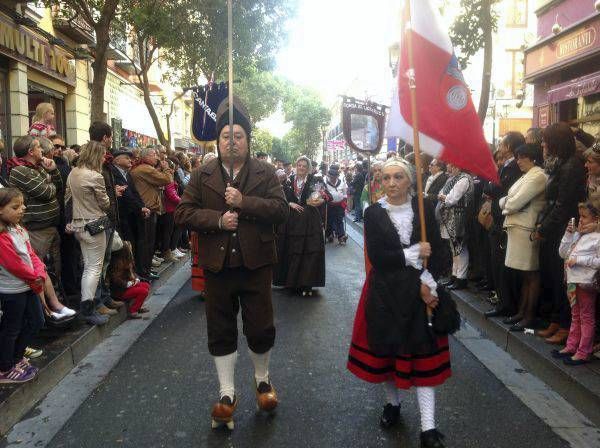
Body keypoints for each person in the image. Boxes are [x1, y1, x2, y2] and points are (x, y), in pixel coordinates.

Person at [175, 97, 288, 429]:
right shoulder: (202, 174)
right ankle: (227, 394)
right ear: (218, 140)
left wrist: (245, 202)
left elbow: (281, 212)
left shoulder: (266, 173)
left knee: (260, 327)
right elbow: (183, 212)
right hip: (217, 267)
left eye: (238, 136)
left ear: (248, 140)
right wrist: (218, 220)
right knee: (221, 329)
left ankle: (263, 381)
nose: (232, 141)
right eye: (226, 136)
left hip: (256, 266)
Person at [347, 158, 451, 448]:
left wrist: (429, 281)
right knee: (389, 351)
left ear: (409, 180)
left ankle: (429, 429)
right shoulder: (373, 213)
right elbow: (379, 258)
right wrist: (412, 253)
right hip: (386, 292)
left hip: (421, 290)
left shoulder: (425, 207)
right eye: (386, 178)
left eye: (398, 177)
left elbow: (439, 251)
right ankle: (392, 404)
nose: (391, 183)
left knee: (423, 356)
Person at [535, 123, 587, 345]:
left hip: (564, 230)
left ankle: (565, 324)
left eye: (546, 140)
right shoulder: (561, 164)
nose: (543, 144)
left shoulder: (572, 166)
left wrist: (543, 228)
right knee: (553, 277)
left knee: (561, 279)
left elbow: (563, 205)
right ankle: (556, 320)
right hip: (554, 227)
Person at [499, 144, 547, 331]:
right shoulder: (528, 175)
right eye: (517, 157)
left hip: (526, 228)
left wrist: (506, 203)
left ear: (533, 158)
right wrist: (507, 203)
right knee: (524, 274)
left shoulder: (538, 176)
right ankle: (522, 311)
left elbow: (513, 202)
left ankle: (529, 315)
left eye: (522, 157)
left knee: (531, 273)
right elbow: (508, 199)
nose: (518, 161)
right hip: (518, 227)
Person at [0, 188, 46, 383]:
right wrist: (34, 276)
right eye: (15, 207)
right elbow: (13, 264)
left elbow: (31, 254)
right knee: (11, 328)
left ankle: (16, 357)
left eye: (22, 205)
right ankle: (5, 367)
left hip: (27, 285)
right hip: (12, 290)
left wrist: (40, 272)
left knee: (36, 321)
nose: (22, 209)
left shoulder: (18, 228)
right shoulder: (2, 236)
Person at [66, 141, 112, 326]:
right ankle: (88, 308)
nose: (103, 158)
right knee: (94, 268)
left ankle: (86, 306)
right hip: (94, 225)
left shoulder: (73, 173)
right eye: (102, 155)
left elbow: (67, 199)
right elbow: (105, 203)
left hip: (78, 225)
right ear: (96, 155)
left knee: (88, 267)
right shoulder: (95, 176)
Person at [484, 132, 527, 318]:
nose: (499, 146)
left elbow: (499, 189)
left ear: (509, 146)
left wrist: (493, 185)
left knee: (502, 265)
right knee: (496, 263)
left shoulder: (513, 169)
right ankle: (503, 300)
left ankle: (506, 304)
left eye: (502, 143)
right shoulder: (506, 166)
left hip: (505, 222)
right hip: (497, 221)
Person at [273, 155, 329, 296]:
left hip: (310, 221)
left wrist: (318, 200)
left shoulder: (315, 180)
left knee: (309, 251)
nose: (301, 168)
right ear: (296, 167)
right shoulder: (289, 180)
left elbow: (323, 196)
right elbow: (281, 197)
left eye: (304, 166)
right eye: (299, 165)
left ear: (308, 168)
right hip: (291, 221)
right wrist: (289, 203)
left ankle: (306, 284)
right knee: (291, 250)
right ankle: (290, 282)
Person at [555, 200, 600, 365]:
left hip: (586, 283)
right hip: (572, 280)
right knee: (575, 315)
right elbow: (562, 253)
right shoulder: (577, 235)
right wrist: (568, 235)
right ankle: (572, 346)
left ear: (596, 219)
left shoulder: (597, 238)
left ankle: (583, 351)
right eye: (579, 216)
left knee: (586, 316)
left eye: (585, 217)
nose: (581, 220)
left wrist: (579, 259)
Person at [130, 147, 173, 280]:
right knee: (146, 243)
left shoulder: (144, 169)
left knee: (149, 242)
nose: (157, 157)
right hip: (147, 210)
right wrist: (165, 168)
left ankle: (146, 270)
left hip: (148, 208)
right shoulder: (145, 169)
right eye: (154, 154)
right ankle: (144, 272)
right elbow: (167, 179)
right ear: (146, 157)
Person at [437, 164, 474, 290]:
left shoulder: (464, 179)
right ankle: (455, 275)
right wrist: (443, 196)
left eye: (453, 165)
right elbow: (441, 193)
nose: (450, 167)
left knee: (460, 248)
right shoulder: (454, 179)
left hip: (459, 218)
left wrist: (443, 197)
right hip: (451, 218)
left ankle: (461, 278)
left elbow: (451, 199)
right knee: (454, 249)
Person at [108, 242, 150, 319]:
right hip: (120, 291)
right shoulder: (117, 263)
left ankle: (138, 306)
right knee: (143, 291)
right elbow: (115, 279)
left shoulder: (128, 261)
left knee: (146, 285)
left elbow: (133, 273)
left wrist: (136, 279)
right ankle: (133, 311)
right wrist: (127, 284)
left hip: (127, 286)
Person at [325, 164, 348, 245]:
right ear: (329, 176)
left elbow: (345, 194)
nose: (333, 179)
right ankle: (329, 234)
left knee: (339, 220)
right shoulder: (326, 183)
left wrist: (345, 202)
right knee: (330, 220)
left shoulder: (342, 183)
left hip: (339, 205)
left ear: (337, 176)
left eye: (335, 177)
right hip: (330, 205)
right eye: (331, 177)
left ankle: (341, 237)